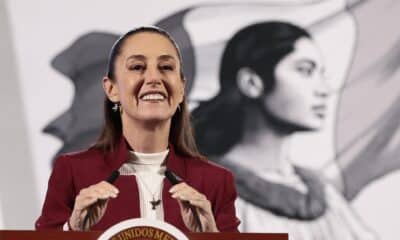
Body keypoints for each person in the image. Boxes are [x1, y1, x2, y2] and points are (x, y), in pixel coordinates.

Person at [35, 26, 240, 232]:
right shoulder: (72, 171)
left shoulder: (216, 180)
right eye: (137, 67)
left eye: (166, 67)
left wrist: (211, 235)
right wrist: (73, 229)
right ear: (111, 89)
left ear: (181, 89)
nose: (154, 78)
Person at [193, 21, 377, 239]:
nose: (324, 90)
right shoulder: (205, 196)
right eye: (305, 71)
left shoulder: (325, 197)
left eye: (321, 74)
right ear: (252, 83)